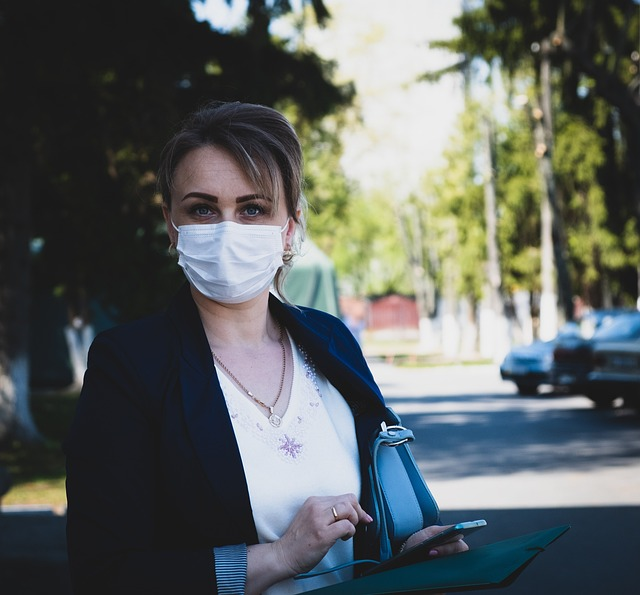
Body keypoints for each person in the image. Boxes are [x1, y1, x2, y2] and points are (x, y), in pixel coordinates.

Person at [64, 101, 468, 595]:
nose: (227, 229)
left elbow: (373, 520)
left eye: (253, 208)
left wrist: (405, 554)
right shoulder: (130, 365)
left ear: (290, 227)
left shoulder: (333, 342)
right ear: (172, 224)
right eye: (203, 209)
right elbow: (106, 573)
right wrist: (278, 557)